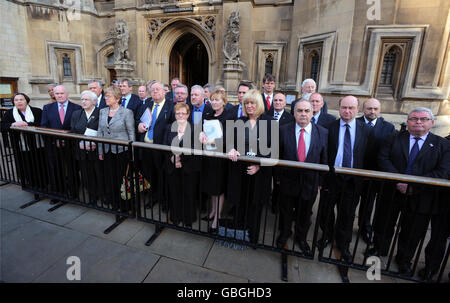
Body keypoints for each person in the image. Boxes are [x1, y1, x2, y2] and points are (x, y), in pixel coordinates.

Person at [370, 107, 449, 276]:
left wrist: (414, 186)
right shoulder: (393, 138)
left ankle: (404, 259)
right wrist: (399, 181)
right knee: (384, 223)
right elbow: (383, 159)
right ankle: (379, 249)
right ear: (407, 122)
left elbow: (442, 171)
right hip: (392, 192)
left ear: (431, 123)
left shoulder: (442, 145)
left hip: (420, 197)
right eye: (414, 119)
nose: (418, 122)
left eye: (423, 119)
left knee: (412, 231)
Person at [318, 95, 374, 263]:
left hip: (353, 181)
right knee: (326, 211)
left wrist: (364, 180)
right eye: (344, 107)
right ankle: (326, 236)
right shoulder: (328, 128)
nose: (347, 111)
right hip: (332, 178)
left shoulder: (367, 130)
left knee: (348, 214)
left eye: (351, 108)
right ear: (339, 108)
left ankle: (343, 244)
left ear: (358, 109)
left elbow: (369, 157)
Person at [276, 99, 328, 256]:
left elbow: (324, 158)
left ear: (313, 113)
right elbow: (277, 155)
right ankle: (284, 235)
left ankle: (301, 238)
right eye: (299, 111)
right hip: (287, 180)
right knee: (285, 211)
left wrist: (321, 181)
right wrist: (278, 178)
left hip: (310, 183)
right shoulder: (283, 130)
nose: (303, 114)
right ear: (294, 113)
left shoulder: (323, 132)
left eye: (306, 111)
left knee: (304, 214)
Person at [227, 89, 274, 244]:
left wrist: (259, 166)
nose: (249, 106)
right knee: (239, 204)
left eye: (252, 102)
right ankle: (239, 234)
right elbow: (229, 142)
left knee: (255, 207)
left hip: (259, 174)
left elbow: (274, 151)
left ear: (258, 104)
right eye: (246, 103)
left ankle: (253, 238)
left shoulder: (270, 122)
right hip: (239, 171)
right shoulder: (239, 121)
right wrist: (231, 149)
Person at [356, 98, 396, 244]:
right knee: (349, 203)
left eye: (375, 109)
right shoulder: (355, 123)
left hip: (374, 174)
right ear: (363, 109)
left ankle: (364, 228)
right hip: (355, 172)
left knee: (368, 204)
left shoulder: (388, 127)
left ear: (379, 110)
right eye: (369, 108)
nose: (372, 111)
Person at [41, 85, 82, 204]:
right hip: (53, 144)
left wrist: (67, 140)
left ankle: (73, 194)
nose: (59, 95)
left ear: (67, 94)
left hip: (71, 145)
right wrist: (55, 140)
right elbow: (44, 126)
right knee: (55, 169)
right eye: (57, 93)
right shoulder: (47, 108)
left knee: (72, 169)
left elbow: (78, 128)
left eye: (62, 93)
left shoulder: (77, 108)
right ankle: (58, 194)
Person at [137, 81, 175, 207]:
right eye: (152, 90)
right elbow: (138, 119)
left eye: (158, 89)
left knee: (162, 174)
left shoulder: (171, 106)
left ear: (165, 91)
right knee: (149, 173)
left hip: (161, 148)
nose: (155, 92)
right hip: (146, 146)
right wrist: (139, 126)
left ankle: (164, 199)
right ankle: (153, 197)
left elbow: (174, 127)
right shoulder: (146, 104)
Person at [98, 86, 135, 211]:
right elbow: (100, 132)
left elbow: (131, 133)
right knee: (110, 178)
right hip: (107, 150)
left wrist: (132, 152)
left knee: (121, 179)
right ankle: (114, 202)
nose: (105, 98)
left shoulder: (126, 112)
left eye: (108, 96)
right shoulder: (103, 111)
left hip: (122, 151)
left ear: (117, 98)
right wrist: (100, 151)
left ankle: (124, 206)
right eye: (105, 96)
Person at [199, 89, 232, 231]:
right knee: (212, 187)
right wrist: (201, 134)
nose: (214, 102)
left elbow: (228, 139)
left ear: (224, 102)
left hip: (220, 158)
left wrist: (212, 141)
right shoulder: (208, 114)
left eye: (217, 100)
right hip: (208, 156)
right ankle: (212, 211)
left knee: (218, 189)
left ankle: (217, 218)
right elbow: (201, 129)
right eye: (212, 99)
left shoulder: (228, 117)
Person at [164, 103, 200, 227]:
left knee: (188, 193)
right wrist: (172, 158)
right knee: (174, 192)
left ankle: (188, 219)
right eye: (177, 113)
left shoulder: (195, 128)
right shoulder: (169, 127)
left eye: (183, 113)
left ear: (188, 114)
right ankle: (175, 217)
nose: (180, 115)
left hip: (188, 167)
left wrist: (181, 160)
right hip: (172, 165)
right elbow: (164, 146)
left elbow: (195, 148)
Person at [0, 93, 45, 189]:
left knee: (39, 164)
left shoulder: (37, 111)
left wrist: (27, 124)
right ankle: (30, 184)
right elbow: (2, 125)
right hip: (21, 145)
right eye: (16, 100)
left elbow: (43, 124)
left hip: (37, 144)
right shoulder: (9, 113)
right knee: (25, 165)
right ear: (13, 102)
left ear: (26, 100)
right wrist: (13, 124)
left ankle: (42, 184)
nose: (19, 102)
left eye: (21, 99)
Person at [70, 90, 101, 205]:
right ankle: (92, 196)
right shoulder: (76, 114)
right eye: (82, 99)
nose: (83, 101)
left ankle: (102, 195)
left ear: (94, 101)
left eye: (86, 99)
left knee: (99, 173)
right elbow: (73, 130)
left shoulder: (101, 113)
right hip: (82, 150)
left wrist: (95, 144)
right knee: (86, 174)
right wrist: (80, 143)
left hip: (97, 150)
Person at [268, 92, 294, 214]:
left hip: (282, 155)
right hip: (267, 154)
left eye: (280, 100)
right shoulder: (265, 115)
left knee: (279, 182)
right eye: (276, 100)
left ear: (285, 103)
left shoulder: (291, 118)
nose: (278, 102)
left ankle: (276, 204)